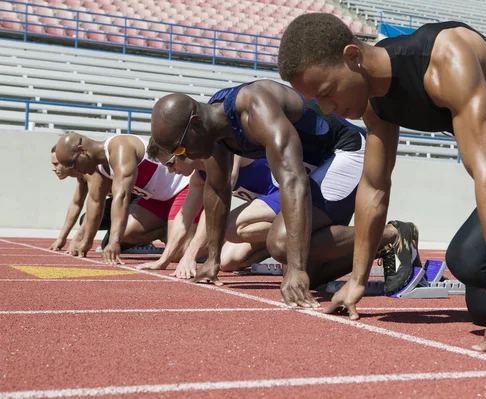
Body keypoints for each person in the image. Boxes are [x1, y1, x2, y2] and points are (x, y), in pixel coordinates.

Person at [277, 13, 486, 363]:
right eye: (317, 102)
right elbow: (373, 186)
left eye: (327, 94)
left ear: (353, 57)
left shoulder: (444, 58)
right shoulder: (374, 102)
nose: (328, 109)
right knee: (482, 308)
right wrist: (356, 280)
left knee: (468, 259)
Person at [150, 82, 413, 307]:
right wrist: (212, 260)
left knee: (282, 244)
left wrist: (295, 270)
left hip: (346, 151)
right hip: (313, 168)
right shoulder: (214, 130)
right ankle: (381, 241)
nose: (185, 158)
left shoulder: (255, 107)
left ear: (196, 124)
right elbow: (217, 190)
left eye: (181, 151)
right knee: (312, 272)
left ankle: (393, 234)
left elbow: (293, 180)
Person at [137, 139, 282, 278]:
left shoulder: (227, 154)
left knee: (230, 228)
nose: (170, 171)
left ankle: (298, 235)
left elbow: (214, 209)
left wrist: (190, 255)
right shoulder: (199, 177)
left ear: (183, 152)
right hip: (267, 204)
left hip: (285, 195)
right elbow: (183, 217)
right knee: (227, 261)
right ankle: (285, 244)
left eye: (170, 163)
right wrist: (164, 260)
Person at [54, 133, 198, 265]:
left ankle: (205, 237)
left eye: (72, 164)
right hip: (156, 199)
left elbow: (122, 196)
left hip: (181, 187)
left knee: (177, 255)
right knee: (126, 233)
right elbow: (96, 201)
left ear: (81, 150)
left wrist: (114, 242)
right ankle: (169, 232)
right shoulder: (98, 167)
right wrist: (85, 241)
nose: (74, 170)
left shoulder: (120, 147)